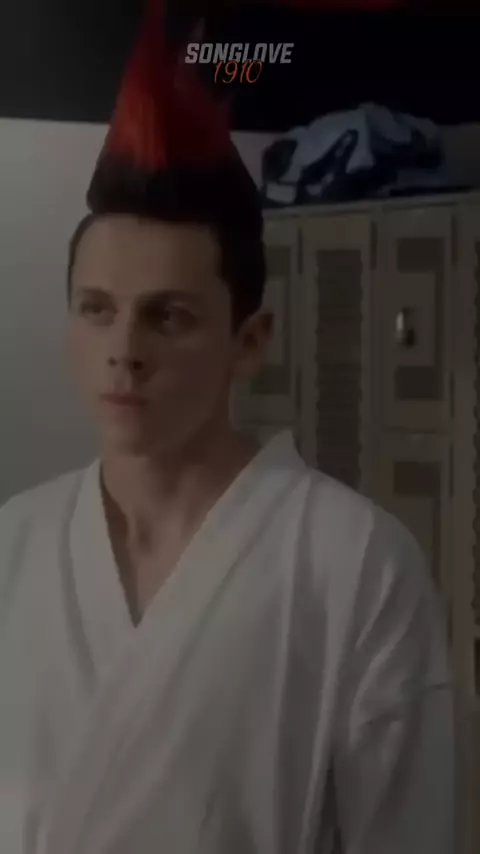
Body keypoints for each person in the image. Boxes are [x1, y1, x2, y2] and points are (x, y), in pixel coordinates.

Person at [0, 2, 457, 852]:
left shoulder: (355, 567)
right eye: (96, 310)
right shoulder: (12, 546)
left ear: (251, 340)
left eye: (167, 316)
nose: (124, 351)